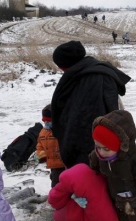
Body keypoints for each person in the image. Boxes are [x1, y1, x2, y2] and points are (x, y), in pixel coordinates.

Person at [51, 40, 130, 169]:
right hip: (104, 144)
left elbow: (66, 116)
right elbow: (118, 109)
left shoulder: (72, 79)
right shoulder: (102, 71)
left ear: (64, 65)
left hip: (88, 144)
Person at [36, 104, 66, 188]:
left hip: (63, 164)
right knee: (54, 180)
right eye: (44, 121)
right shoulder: (43, 132)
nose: (46, 123)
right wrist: (40, 154)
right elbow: (39, 145)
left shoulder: (61, 131)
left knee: (59, 185)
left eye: (49, 121)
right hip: (52, 164)